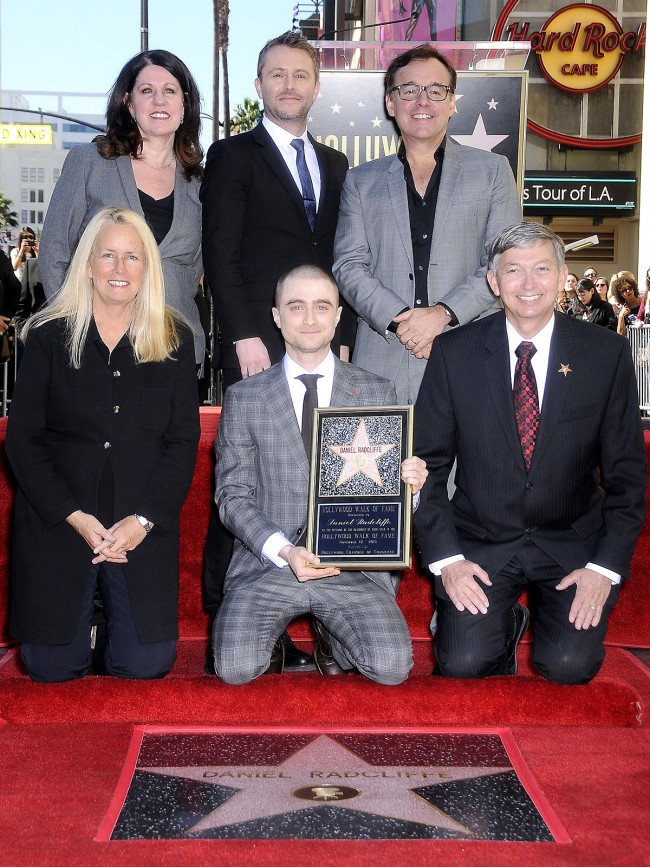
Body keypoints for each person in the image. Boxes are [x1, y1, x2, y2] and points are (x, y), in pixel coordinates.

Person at [413, 222, 647, 684]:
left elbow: (628, 478)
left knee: (568, 667)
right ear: (493, 281)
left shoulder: (607, 354)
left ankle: (545, 626)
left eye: (542, 268)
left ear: (563, 276)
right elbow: (428, 467)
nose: (528, 284)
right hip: (481, 541)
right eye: (513, 270)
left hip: (572, 543)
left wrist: (603, 569)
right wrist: (448, 560)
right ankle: (502, 630)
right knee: (462, 664)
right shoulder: (452, 352)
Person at [200, 31, 352, 667]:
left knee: (320, 474)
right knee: (247, 478)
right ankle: (225, 613)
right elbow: (221, 253)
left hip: (323, 344)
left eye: (300, 75)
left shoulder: (337, 164)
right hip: (257, 344)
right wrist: (243, 335)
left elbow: (338, 261)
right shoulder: (232, 155)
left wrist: (340, 340)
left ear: (316, 87)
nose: (289, 85)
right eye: (277, 75)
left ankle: (320, 609)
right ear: (259, 86)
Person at [6, 207, 200, 683]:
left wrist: (143, 519)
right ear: (87, 263)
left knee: (147, 666)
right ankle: (86, 620)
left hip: (139, 526)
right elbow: (23, 441)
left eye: (132, 257)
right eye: (108, 255)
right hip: (60, 520)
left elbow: (182, 443)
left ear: (146, 267)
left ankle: (106, 618)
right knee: (51, 669)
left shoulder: (175, 338)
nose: (119, 269)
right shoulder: (47, 336)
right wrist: (73, 515)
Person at [211, 264, 426, 684]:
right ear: (276, 316)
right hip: (270, 564)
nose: (309, 319)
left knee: (392, 669)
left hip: (353, 568)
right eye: (296, 307)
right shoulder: (245, 397)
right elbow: (231, 497)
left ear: (338, 315)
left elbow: (388, 496)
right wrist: (285, 552)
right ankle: (271, 635)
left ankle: (331, 635)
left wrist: (411, 487)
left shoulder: (377, 391)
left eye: (321, 307)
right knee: (235, 668)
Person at [333, 44, 522, 404]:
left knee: (467, 461)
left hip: (470, 351)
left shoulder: (493, 171)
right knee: (382, 461)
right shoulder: (360, 181)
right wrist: (403, 321)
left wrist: (442, 316)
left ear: (452, 102)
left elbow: (504, 263)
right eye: (409, 90)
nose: (423, 101)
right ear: (391, 102)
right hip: (383, 358)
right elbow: (349, 266)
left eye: (436, 91)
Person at [39, 50, 205, 367]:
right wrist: (73, 327)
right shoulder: (88, 163)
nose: (159, 101)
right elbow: (54, 251)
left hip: (174, 351)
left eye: (169, 91)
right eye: (147, 91)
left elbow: (194, 270)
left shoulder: (200, 183)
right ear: (129, 103)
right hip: (95, 349)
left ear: (184, 103)